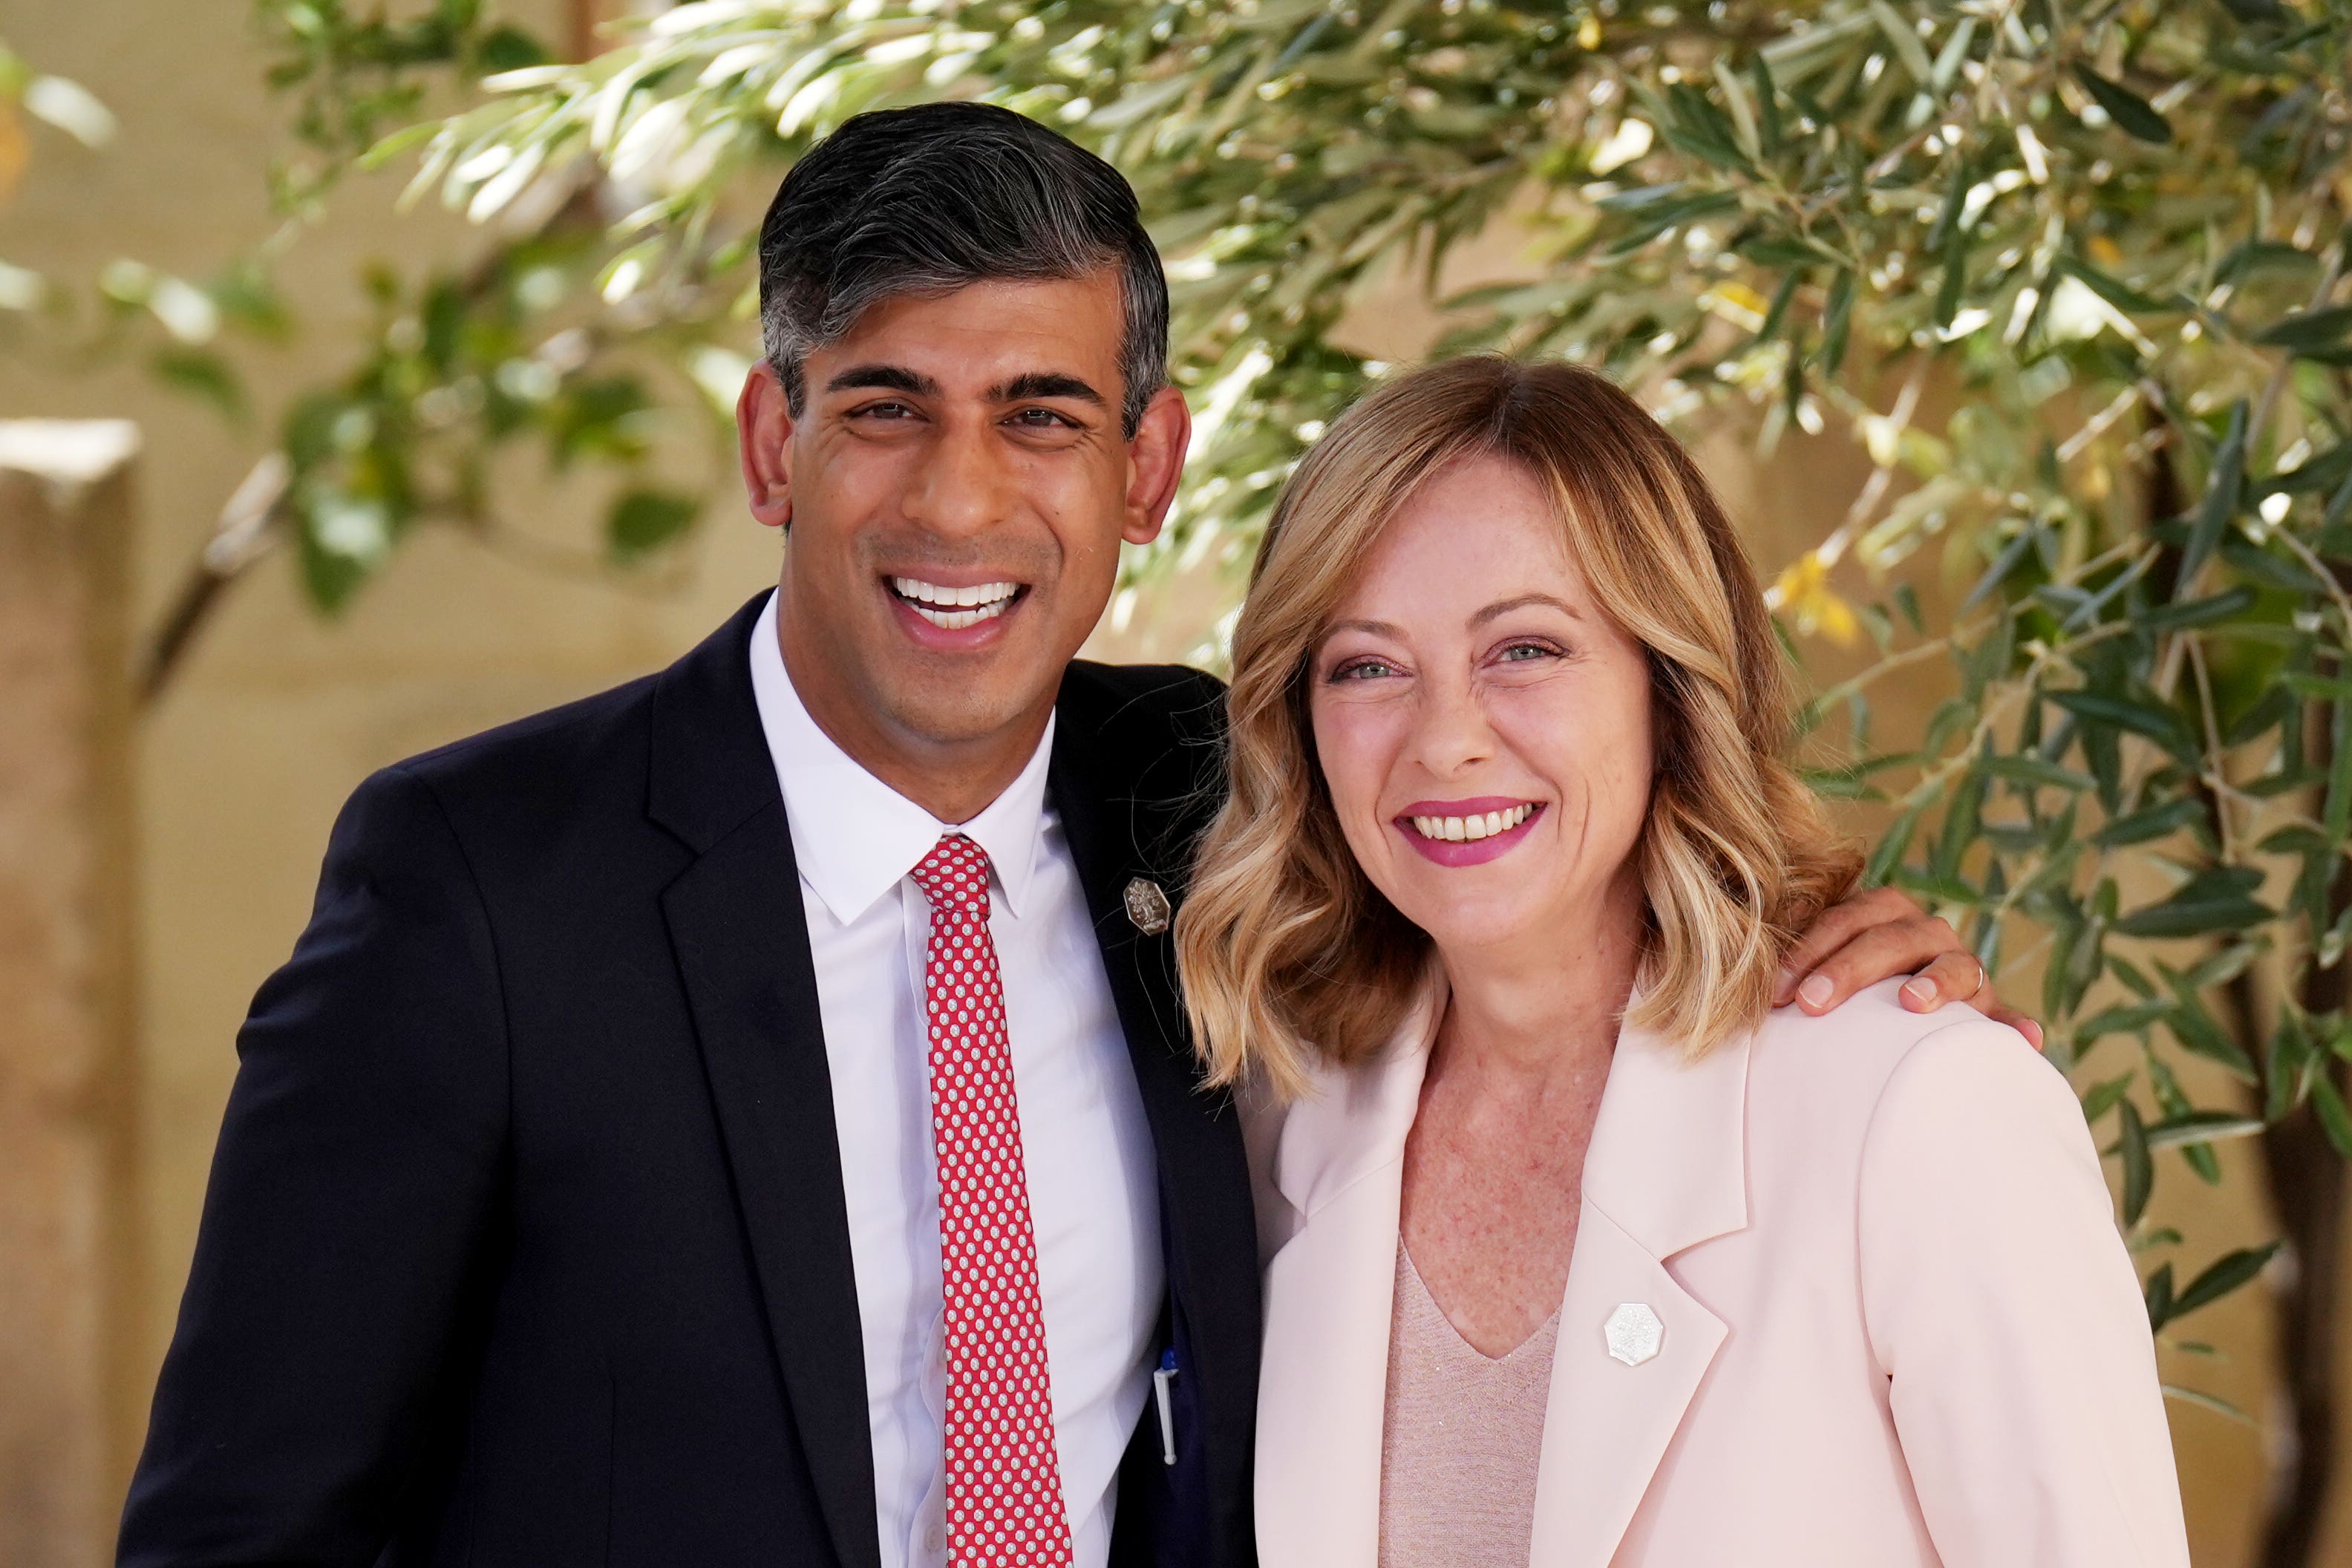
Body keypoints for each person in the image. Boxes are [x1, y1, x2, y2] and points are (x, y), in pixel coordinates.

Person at [120, 108, 2010, 1568]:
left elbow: (1545, 866)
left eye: (1042, 417)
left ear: (1146, 468)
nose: (962, 501)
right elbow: (240, 1530)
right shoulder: (478, 886)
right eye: (885, 409)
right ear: (774, 446)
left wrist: (1822, 947)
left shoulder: (1230, 799)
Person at [1179, 356, 2189, 1568]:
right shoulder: (1269, 1128)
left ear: (1669, 682)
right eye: (1368, 666)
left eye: (1527, 651)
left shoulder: (1920, 1113)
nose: (1446, 739)